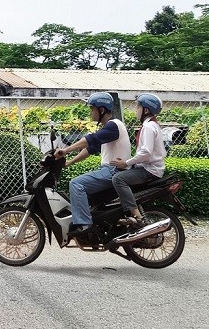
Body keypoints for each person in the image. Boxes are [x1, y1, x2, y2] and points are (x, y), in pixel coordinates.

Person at [54, 93, 131, 236]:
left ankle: (84, 226)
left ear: (101, 110)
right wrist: (69, 162)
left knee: (76, 184)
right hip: (110, 170)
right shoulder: (108, 128)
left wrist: (66, 150)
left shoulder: (114, 125)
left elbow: (90, 140)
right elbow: (90, 149)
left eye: (92, 109)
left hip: (113, 170)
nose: (90, 113)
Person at [111, 94, 167, 227]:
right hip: (148, 167)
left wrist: (127, 163)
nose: (135, 110)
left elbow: (146, 152)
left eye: (138, 107)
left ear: (146, 110)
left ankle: (137, 217)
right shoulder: (151, 125)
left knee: (118, 179)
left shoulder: (148, 127)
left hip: (149, 170)